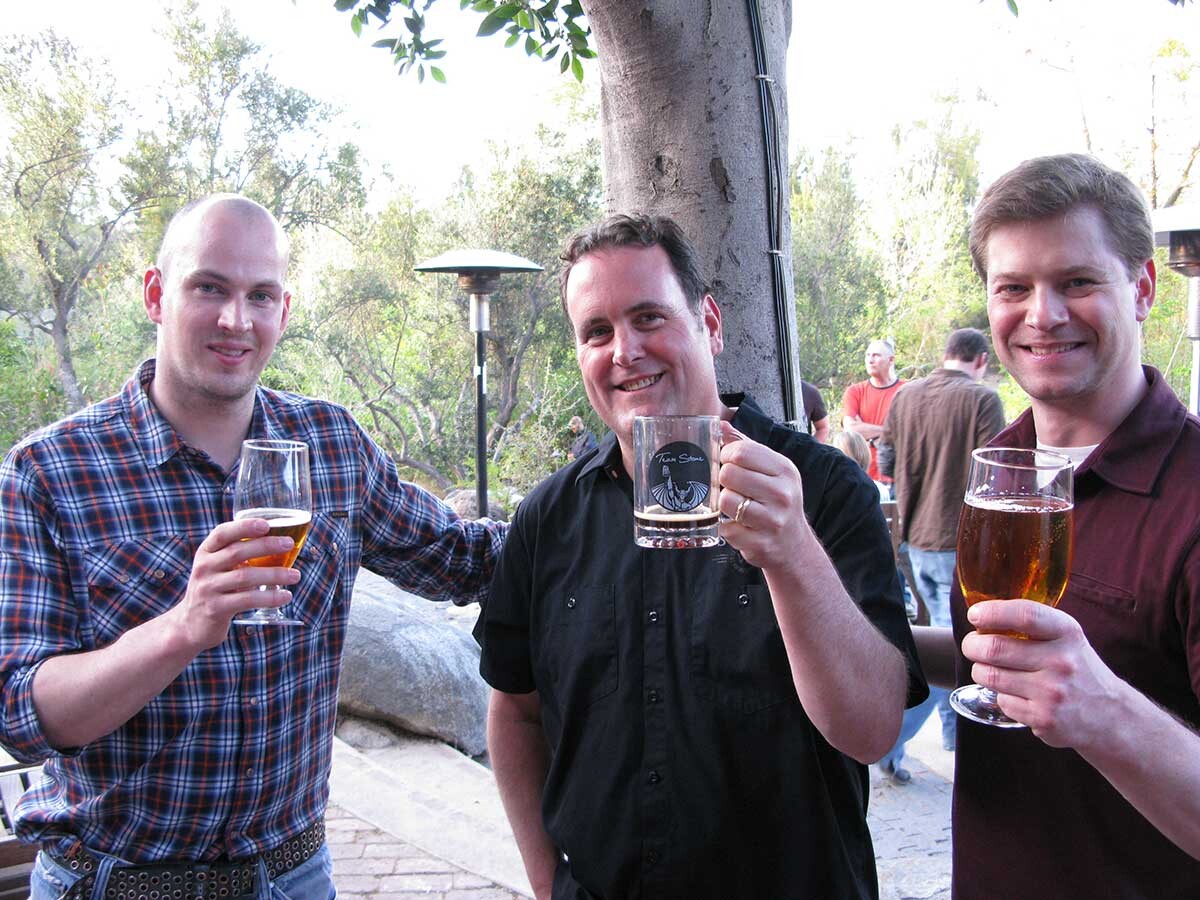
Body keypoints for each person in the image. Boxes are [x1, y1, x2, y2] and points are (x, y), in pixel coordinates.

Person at [0, 195, 507, 900]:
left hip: (292, 878)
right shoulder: (49, 471)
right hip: (114, 884)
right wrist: (183, 628)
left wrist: (608, 491)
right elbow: (26, 716)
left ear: (284, 313)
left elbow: (464, 558)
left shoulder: (331, 445)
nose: (236, 319)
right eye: (209, 287)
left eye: (259, 295)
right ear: (156, 294)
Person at [476, 214, 926, 899]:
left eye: (648, 317)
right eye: (596, 331)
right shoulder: (549, 516)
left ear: (709, 322)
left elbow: (871, 730)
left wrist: (792, 553)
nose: (624, 350)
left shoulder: (823, 490)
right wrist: (548, 884)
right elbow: (515, 711)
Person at [914, 153, 1200, 897]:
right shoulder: (1001, 463)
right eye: (1014, 287)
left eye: (1076, 281)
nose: (1042, 315)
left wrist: (1105, 713)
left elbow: (1087, 682)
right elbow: (1012, 659)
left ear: (1140, 290)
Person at [874, 328, 1005, 784]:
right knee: (961, 649)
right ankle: (893, 742)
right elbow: (998, 474)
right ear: (980, 360)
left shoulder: (906, 397)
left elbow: (885, 460)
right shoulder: (982, 401)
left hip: (913, 537)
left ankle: (948, 739)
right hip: (959, 543)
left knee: (940, 639)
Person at [841, 339, 904, 486]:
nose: (870, 360)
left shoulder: (906, 391)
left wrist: (868, 433)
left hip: (899, 478)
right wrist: (890, 432)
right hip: (864, 476)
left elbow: (911, 433)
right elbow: (851, 430)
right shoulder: (855, 392)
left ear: (891, 360)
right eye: (867, 355)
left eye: (876, 355)